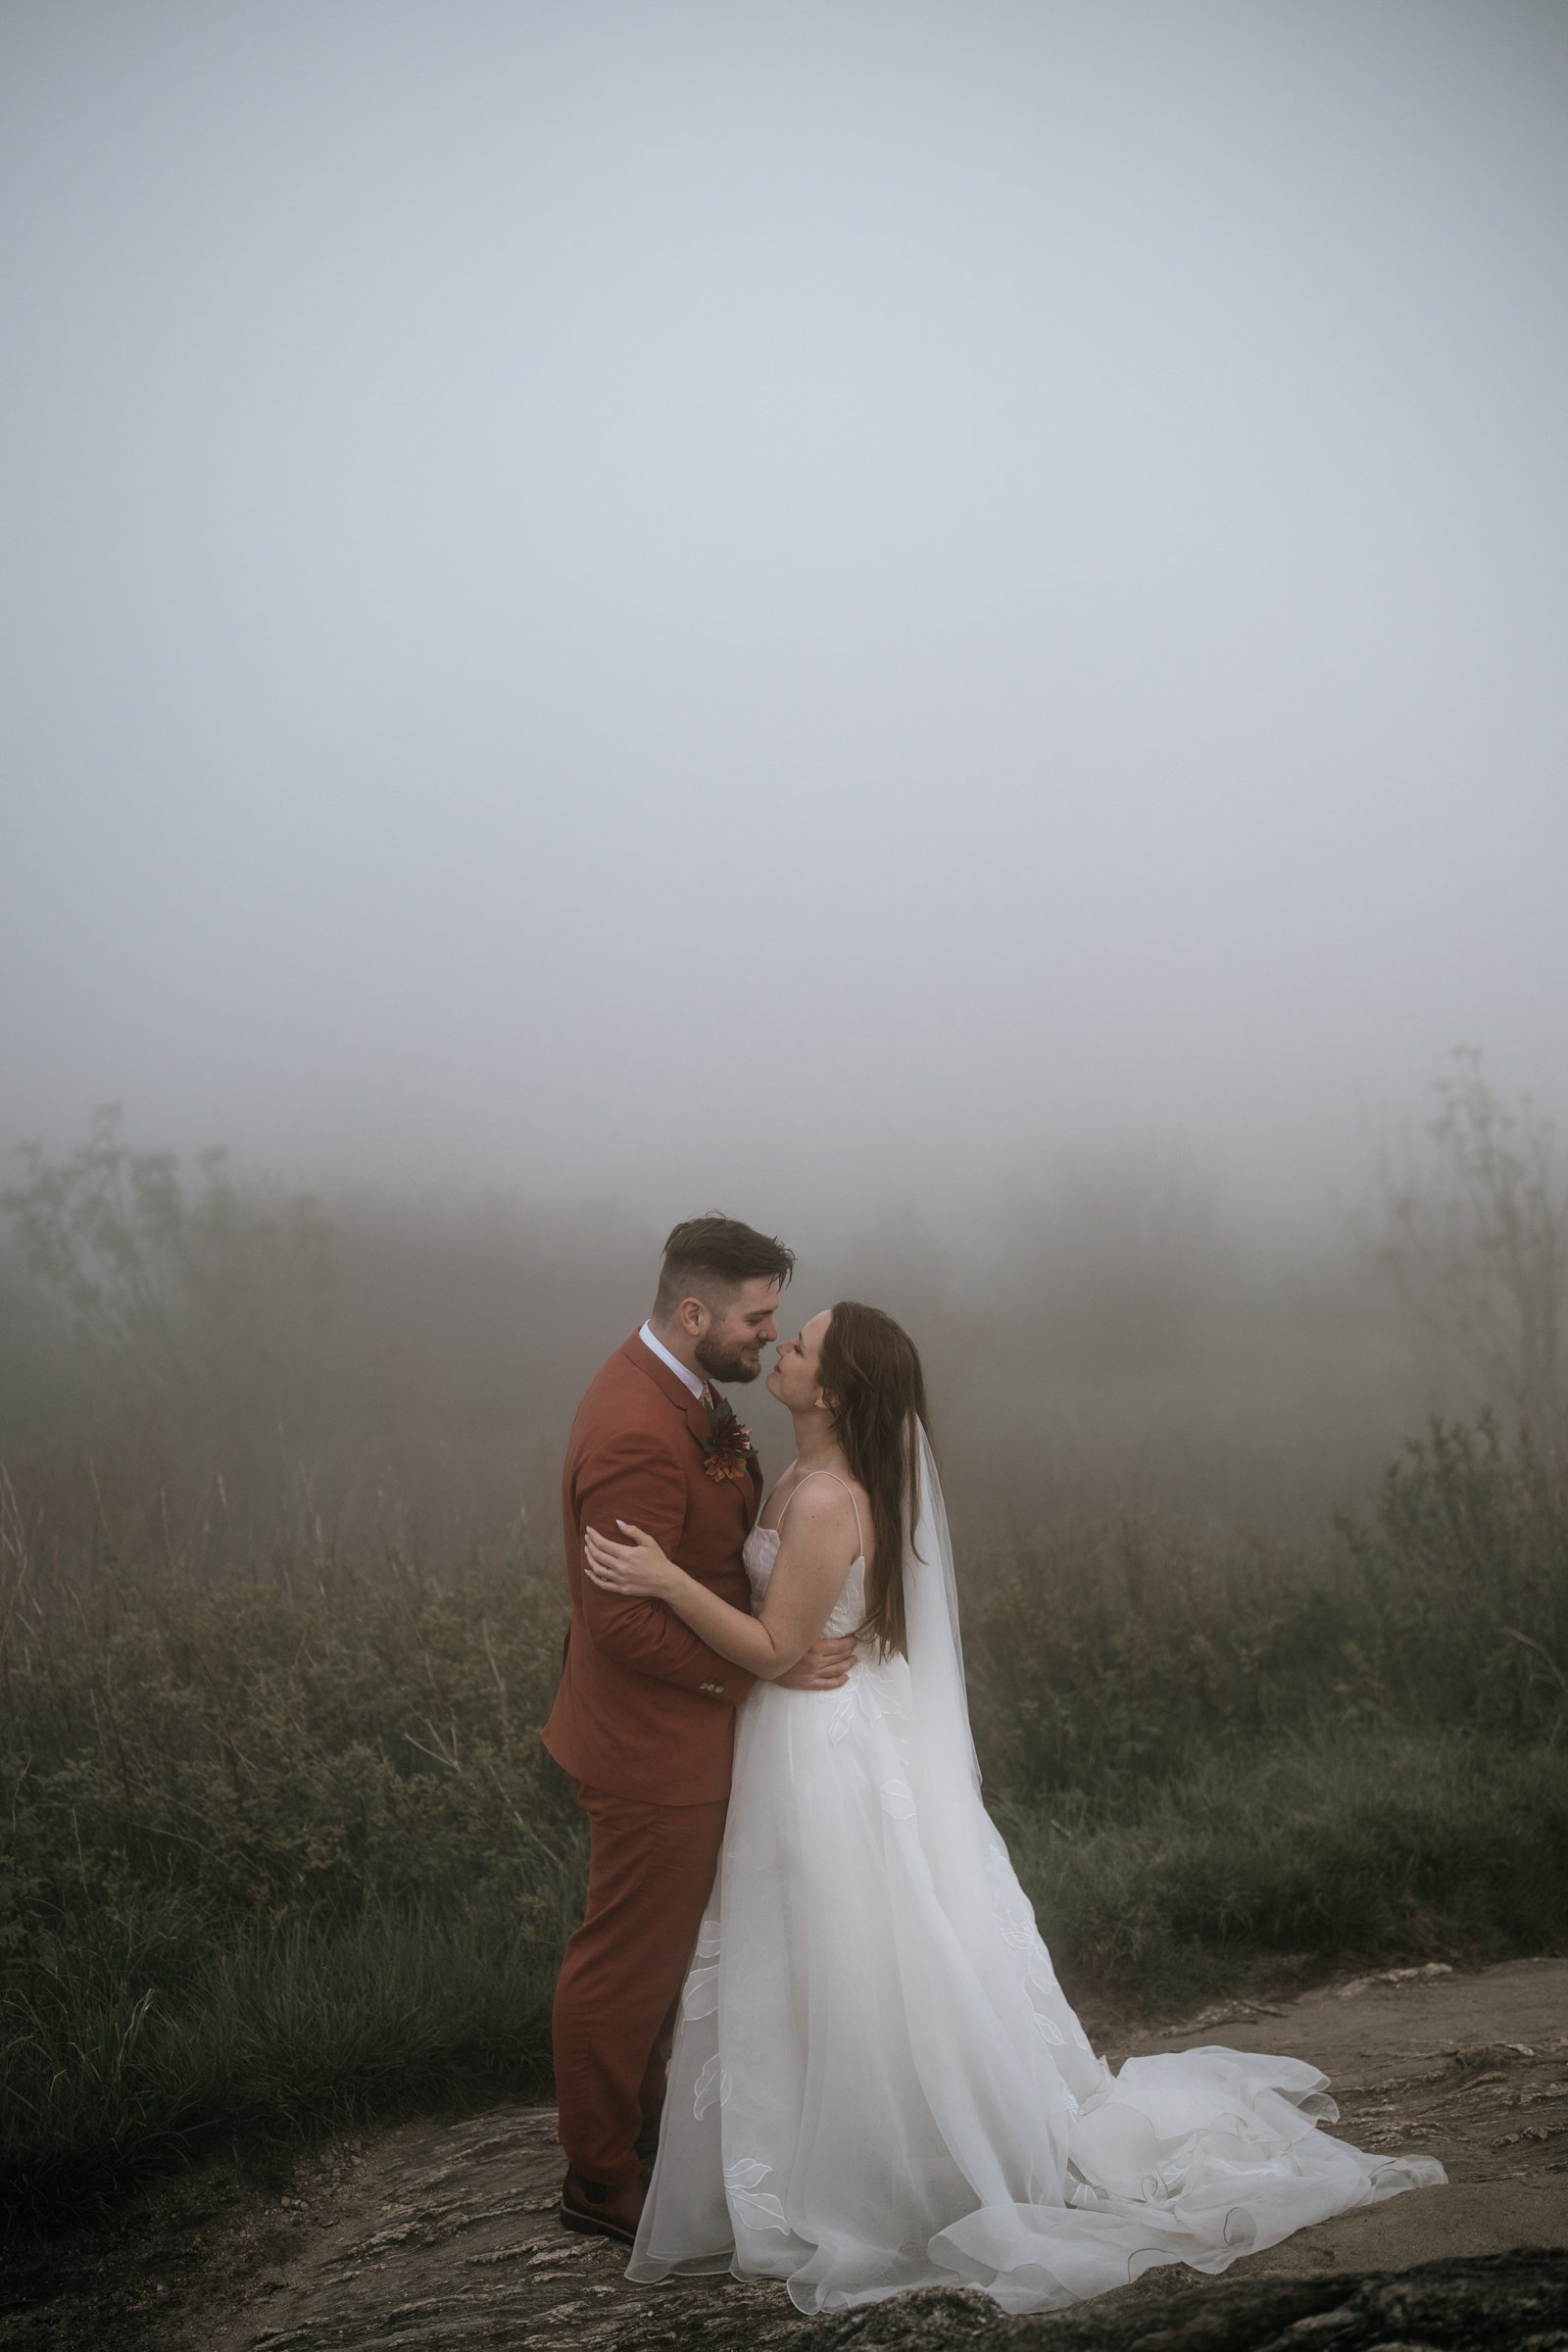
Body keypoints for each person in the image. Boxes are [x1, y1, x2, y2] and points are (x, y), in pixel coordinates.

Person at [581, 1301, 1446, 2316]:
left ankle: (867, 2163)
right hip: (802, 1735)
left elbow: (775, 1650)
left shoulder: (824, 1500)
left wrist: (662, 1579)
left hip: (824, 1749)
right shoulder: (801, 1477)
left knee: (852, 1939)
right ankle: (823, 2136)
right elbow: (792, 1634)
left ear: (838, 1390)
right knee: (819, 1947)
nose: (781, 1348)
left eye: (802, 1344)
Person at [540, 1216, 858, 2246]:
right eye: (757, 1320)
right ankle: (597, 2178)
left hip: (680, 1733)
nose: (767, 1339)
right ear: (693, 1313)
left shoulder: (686, 1390)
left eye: (774, 1322)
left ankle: (641, 2130)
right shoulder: (636, 1425)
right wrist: (755, 1672)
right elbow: (620, 1618)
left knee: (658, 1959)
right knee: (625, 1965)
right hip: (651, 1748)